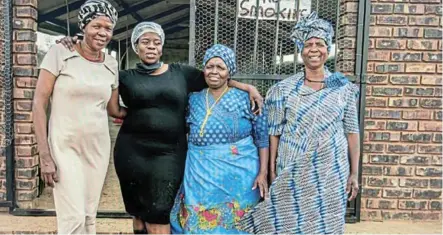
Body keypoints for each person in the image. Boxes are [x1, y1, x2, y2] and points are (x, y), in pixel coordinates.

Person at [57, 22, 264, 234]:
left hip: (169, 154)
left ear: (162, 47)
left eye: (156, 42)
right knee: (138, 215)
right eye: (145, 42)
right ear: (136, 46)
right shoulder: (124, 76)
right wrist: (75, 43)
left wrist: (247, 87)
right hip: (132, 153)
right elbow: (113, 108)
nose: (151, 47)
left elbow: (216, 78)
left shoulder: (181, 73)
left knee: (159, 212)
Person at [239, 12, 360, 234]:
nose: (314, 49)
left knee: (327, 224)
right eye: (308, 44)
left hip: (330, 171)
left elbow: (352, 132)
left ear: (328, 48)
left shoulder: (343, 88)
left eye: (320, 44)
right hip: (292, 166)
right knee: (288, 222)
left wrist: (354, 173)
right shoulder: (283, 90)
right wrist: (272, 170)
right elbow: (274, 133)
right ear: (301, 50)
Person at [32, 0, 126, 234]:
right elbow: (38, 102)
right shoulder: (60, 52)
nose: (102, 33)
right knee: (72, 218)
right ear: (83, 26)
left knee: (88, 215)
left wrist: (154, 110)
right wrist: (44, 155)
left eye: (108, 28)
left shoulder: (111, 63)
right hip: (64, 147)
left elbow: (114, 109)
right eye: (96, 26)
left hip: (97, 148)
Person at [169, 44, 269, 234]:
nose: (214, 72)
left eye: (221, 67)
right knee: (199, 222)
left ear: (229, 72)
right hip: (200, 174)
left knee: (236, 225)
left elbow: (262, 138)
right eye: (209, 66)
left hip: (240, 176)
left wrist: (263, 172)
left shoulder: (247, 99)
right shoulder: (192, 98)